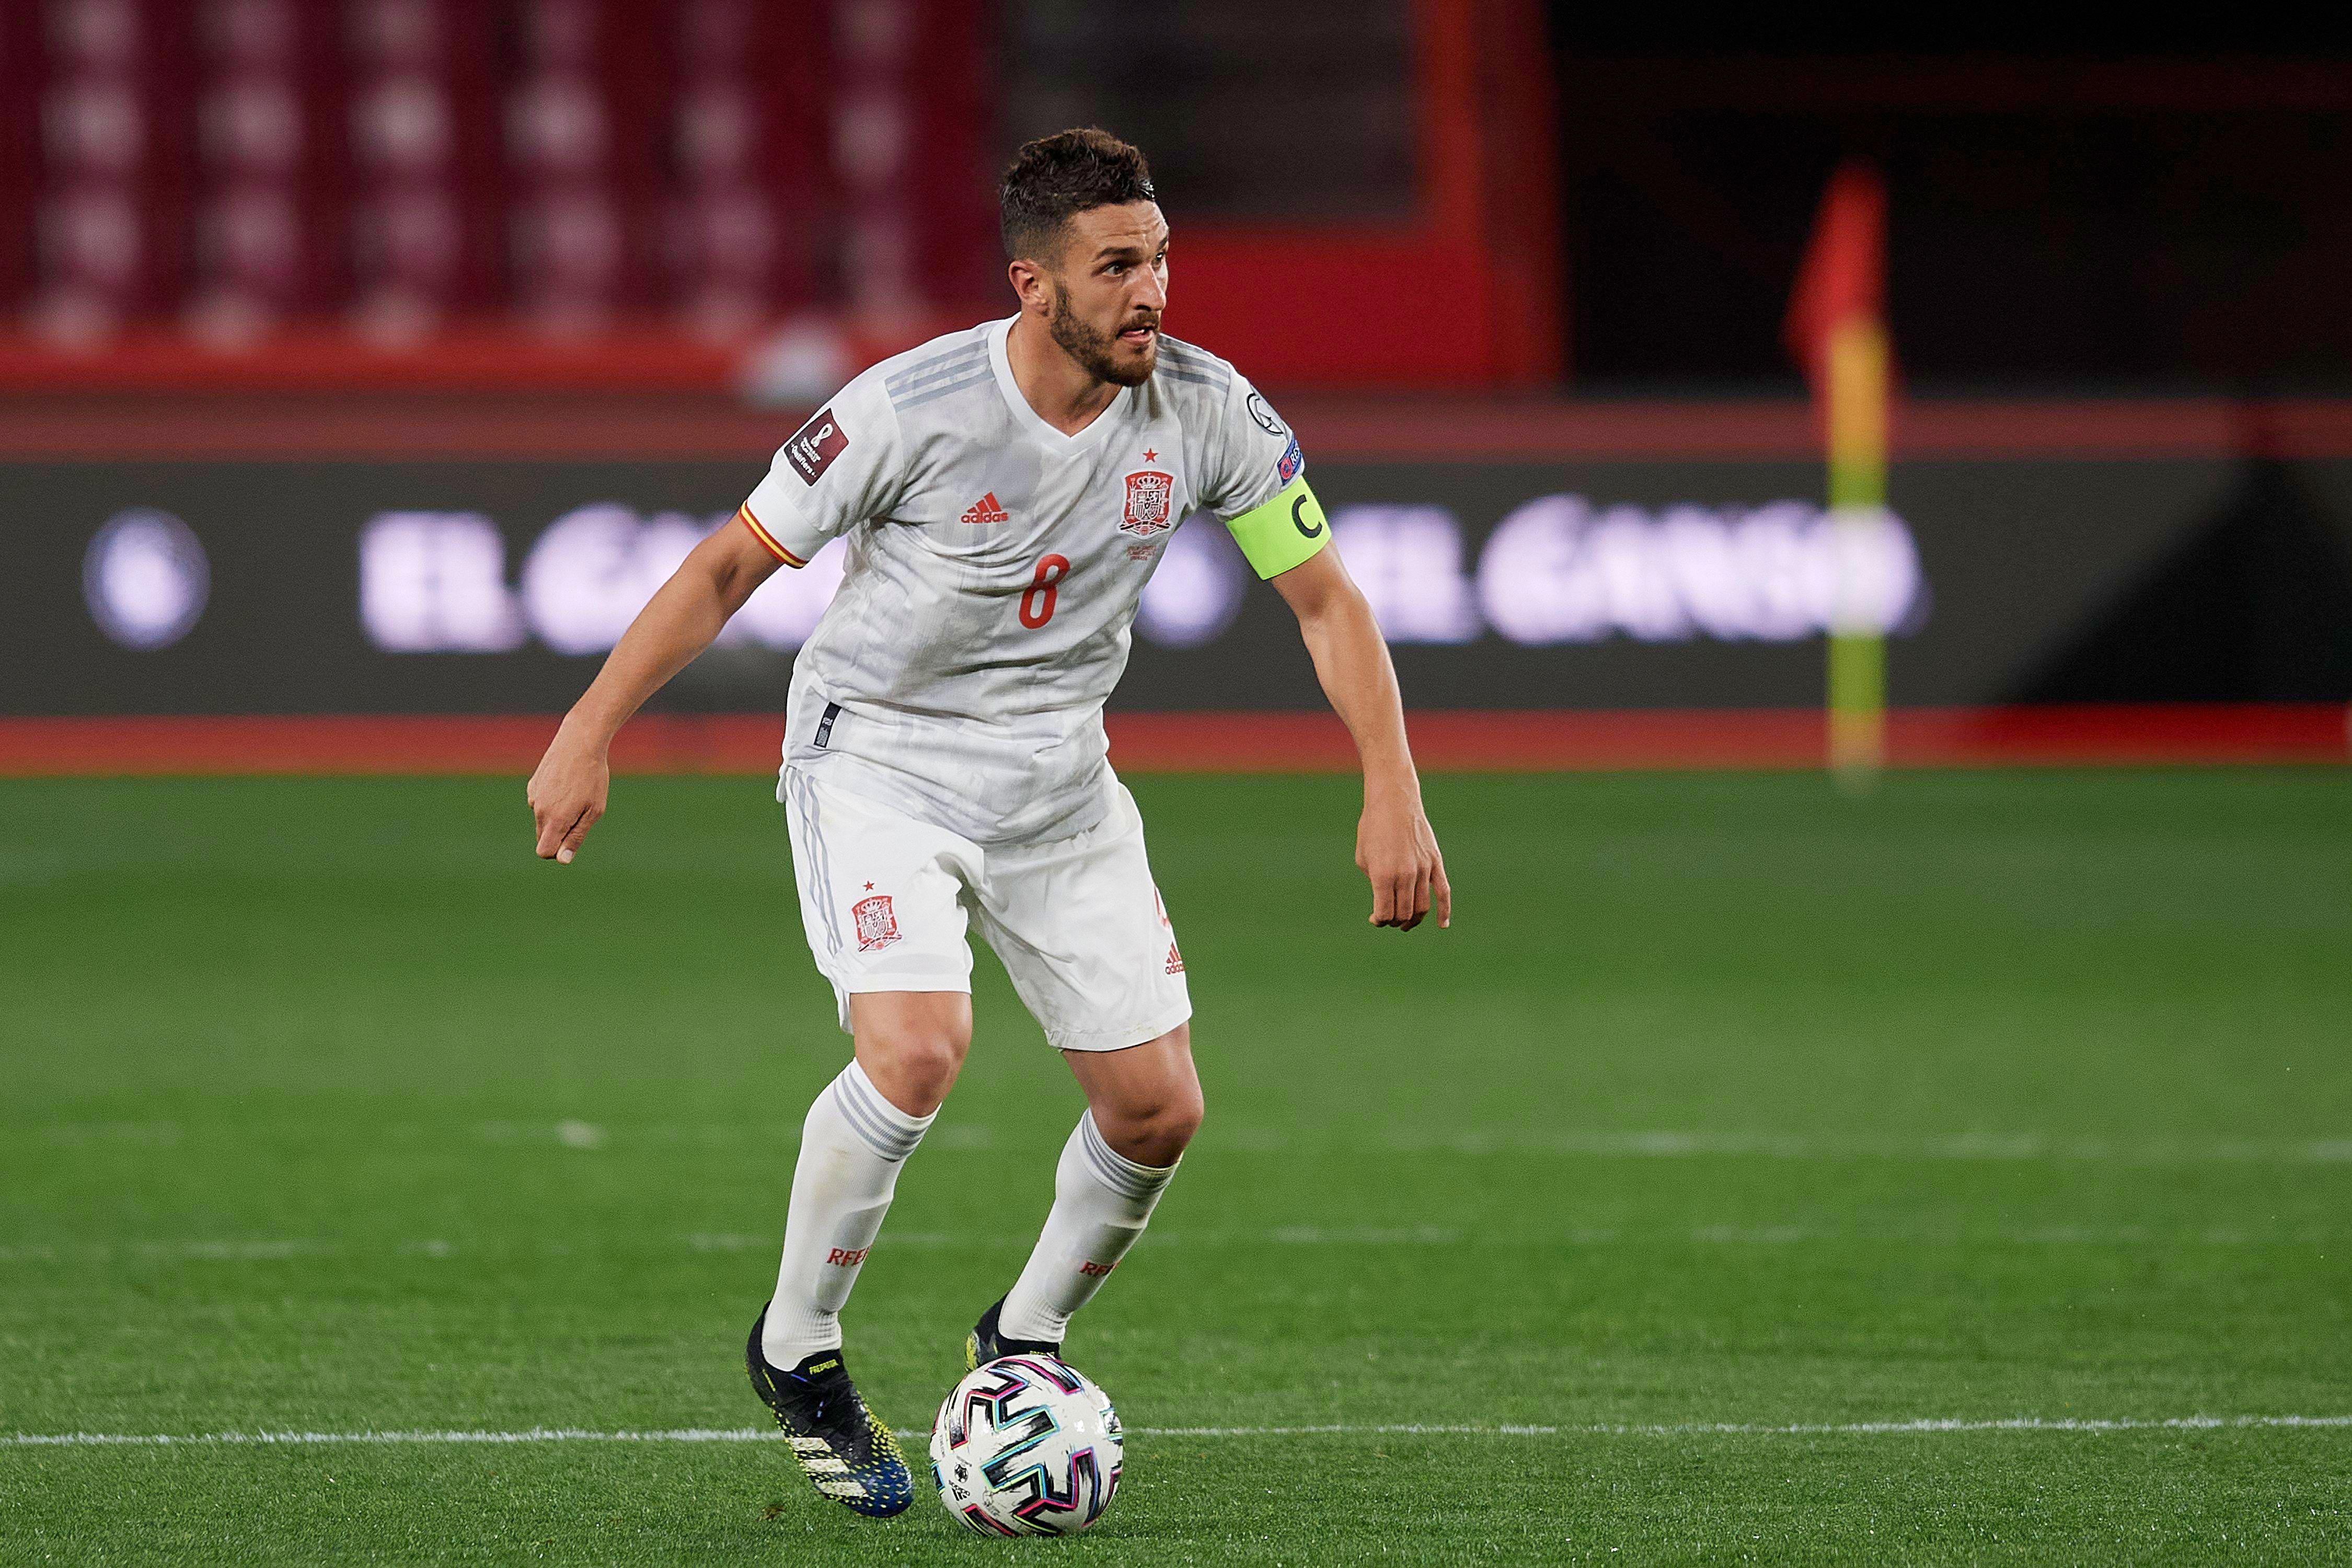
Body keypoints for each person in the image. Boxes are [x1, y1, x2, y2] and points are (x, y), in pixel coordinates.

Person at [526, 127, 1449, 1519]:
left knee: (1155, 1113)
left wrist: (1392, 784)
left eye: (1159, 262)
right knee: (916, 1049)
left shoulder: (1208, 411)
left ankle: (1019, 1343)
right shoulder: (907, 408)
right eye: (1116, 267)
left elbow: (1324, 599)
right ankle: (796, 1352)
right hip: (878, 761)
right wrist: (590, 728)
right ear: (1034, 285)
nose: (1151, 293)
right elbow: (730, 564)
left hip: (1058, 783)